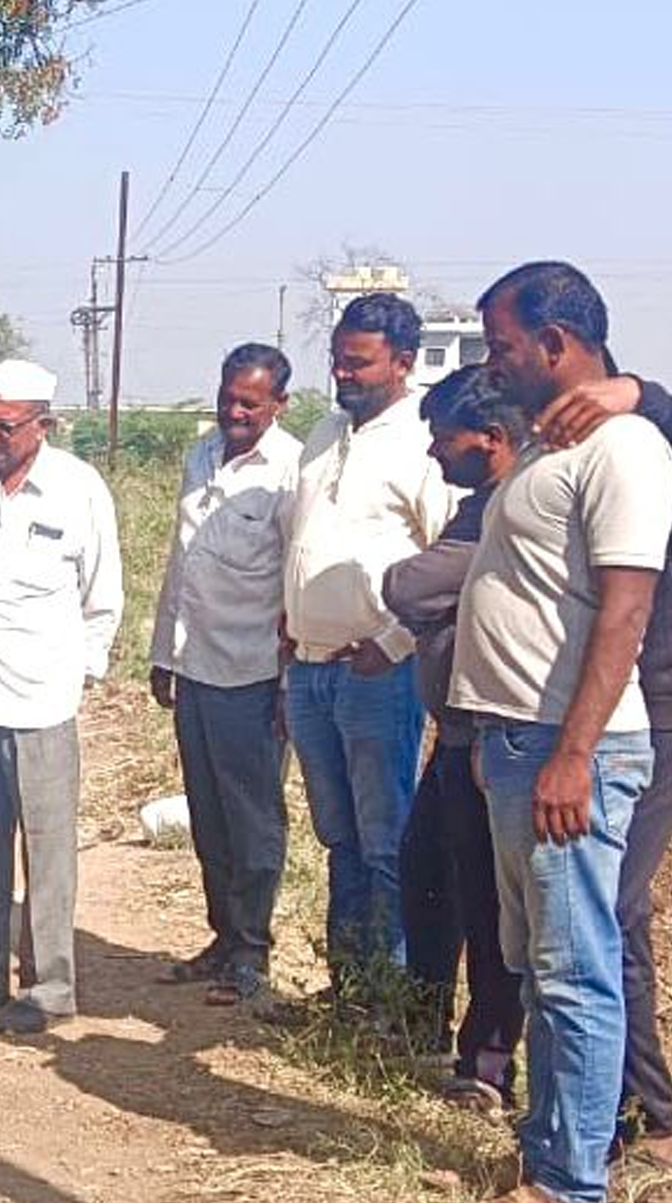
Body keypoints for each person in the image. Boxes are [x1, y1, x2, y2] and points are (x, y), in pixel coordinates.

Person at [452, 261, 672, 1203]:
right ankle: (551, 1147)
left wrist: (573, 755)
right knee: (541, 967)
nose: (492, 363)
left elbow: (626, 612)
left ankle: (572, 1180)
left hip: (567, 747)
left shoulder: (623, 450)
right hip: (517, 741)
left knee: (576, 972)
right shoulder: (553, 446)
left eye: (502, 345)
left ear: (555, 343)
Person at [0, 360, 121, 1034]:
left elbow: (102, 596)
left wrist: (77, 677)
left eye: (4, 426)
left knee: (47, 851)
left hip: (41, 703)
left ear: (43, 425)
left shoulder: (77, 489)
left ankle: (48, 987)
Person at [529, 346, 672, 1167]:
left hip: (658, 698)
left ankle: (650, 1117)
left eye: (508, 345)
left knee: (608, 908)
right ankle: (614, 1109)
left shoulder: (641, 440)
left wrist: (644, 395)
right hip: (597, 699)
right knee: (591, 915)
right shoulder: (561, 449)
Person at [282, 292, 456, 990]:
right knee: (338, 837)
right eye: (337, 359)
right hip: (308, 669)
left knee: (385, 842)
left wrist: (397, 641)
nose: (342, 373)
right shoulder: (325, 433)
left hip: (377, 671)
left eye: (358, 362)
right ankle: (349, 988)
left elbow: (452, 559)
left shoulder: (423, 442)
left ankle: (393, 995)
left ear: (403, 362)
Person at [382, 364, 528, 1113]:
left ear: (492, 438)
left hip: (493, 736)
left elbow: (406, 587)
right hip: (458, 730)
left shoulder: (509, 512)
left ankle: (488, 1066)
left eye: (445, 438)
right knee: (428, 874)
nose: (435, 452)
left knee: (489, 905)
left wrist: (440, 601)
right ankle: (427, 1024)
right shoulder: (477, 508)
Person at [148, 343, 299, 1007]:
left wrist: (289, 684)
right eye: (227, 398)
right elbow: (181, 565)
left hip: (254, 673)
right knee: (208, 816)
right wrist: (164, 654)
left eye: (249, 403)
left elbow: (294, 581)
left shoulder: (292, 472)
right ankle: (223, 938)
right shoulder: (202, 456)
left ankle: (251, 953)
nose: (234, 412)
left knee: (253, 821)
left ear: (278, 405)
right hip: (196, 666)